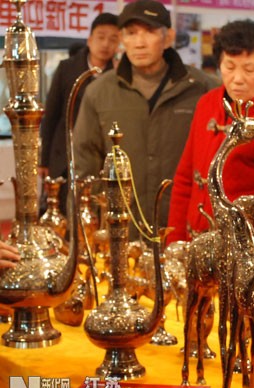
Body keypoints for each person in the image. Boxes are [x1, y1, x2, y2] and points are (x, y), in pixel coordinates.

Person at [73, 0, 218, 233]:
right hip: (121, 228)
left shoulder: (203, 89)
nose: (139, 43)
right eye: (131, 33)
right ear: (122, 39)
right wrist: (88, 224)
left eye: (149, 32)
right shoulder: (99, 92)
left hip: (184, 227)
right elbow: (85, 163)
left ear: (168, 38)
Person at [168, 20, 254, 252]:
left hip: (242, 251)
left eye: (249, 70)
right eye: (229, 66)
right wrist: (174, 244)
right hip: (195, 246)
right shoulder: (207, 103)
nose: (237, 78)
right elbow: (185, 179)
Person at [40, 12, 120, 213]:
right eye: (101, 37)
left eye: (113, 39)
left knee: (94, 209)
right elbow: (51, 116)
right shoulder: (67, 68)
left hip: (98, 155)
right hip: (63, 153)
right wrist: (44, 160)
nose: (106, 44)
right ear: (90, 39)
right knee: (60, 209)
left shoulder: (118, 75)